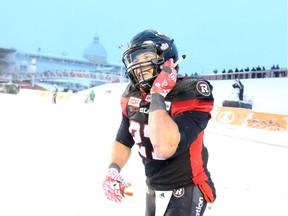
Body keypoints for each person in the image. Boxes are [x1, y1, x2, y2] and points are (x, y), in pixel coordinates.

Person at [102, 29, 216, 216]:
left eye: (146, 56)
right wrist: (113, 169)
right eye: (136, 60)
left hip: (188, 186)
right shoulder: (132, 95)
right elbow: (123, 140)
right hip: (154, 187)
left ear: (167, 59)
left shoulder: (190, 91)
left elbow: (165, 147)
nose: (140, 66)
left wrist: (158, 95)